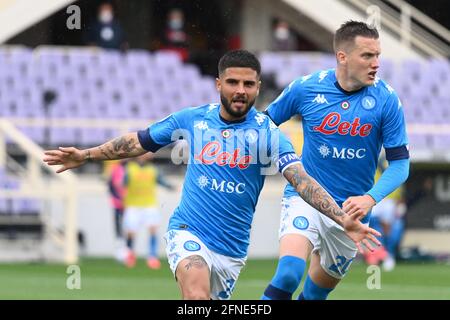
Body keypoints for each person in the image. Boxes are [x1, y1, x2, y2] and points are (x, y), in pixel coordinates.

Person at [43, 50, 380, 300]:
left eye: (248, 84)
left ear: (258, 87)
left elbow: (301, 180)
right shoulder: (193, 119)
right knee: (196, 299)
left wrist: (341, 218)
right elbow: (138, 141)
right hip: (189, 232)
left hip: (232, 251)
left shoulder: (270, 134)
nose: (240, 90)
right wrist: (85, 155)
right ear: (219, 83)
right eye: (232, 82)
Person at [261, 21, 410, 300]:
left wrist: (370, 198)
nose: (375, 63)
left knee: (315, 294)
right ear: (342, 56)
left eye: (377, 55)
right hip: (306, 198)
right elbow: (264, 125)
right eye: (367, 55)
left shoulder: (387, 100)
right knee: (289, 273)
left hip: (351, 214)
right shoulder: (305, 88)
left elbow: (401, 164)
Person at [122, 152, 175, 269]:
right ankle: (130, 254)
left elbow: (161, 181)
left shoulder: (153, 169)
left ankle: (152, 257)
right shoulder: (130, 168)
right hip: (133, 204)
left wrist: (171, 186)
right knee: (131, 232)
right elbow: (123, 183)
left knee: (152, 229)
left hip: (149, 204)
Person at [366, 163, 406, 271]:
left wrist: (399, 201)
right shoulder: (375, 162)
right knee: (373, 225)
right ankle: (378, 254)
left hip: (390, 200)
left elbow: (399, 182)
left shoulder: (397, 164)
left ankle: (388, 255)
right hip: (376, 198)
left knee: (391, 228)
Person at [107, 160, 127, 262]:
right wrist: (119, 198)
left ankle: (127, 252)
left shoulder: (131, 169)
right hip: (118, 204)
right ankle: (120, 252)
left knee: (128, 228)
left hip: (130, 204)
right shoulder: (116, 169)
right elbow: (111, 186)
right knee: (119, 227)